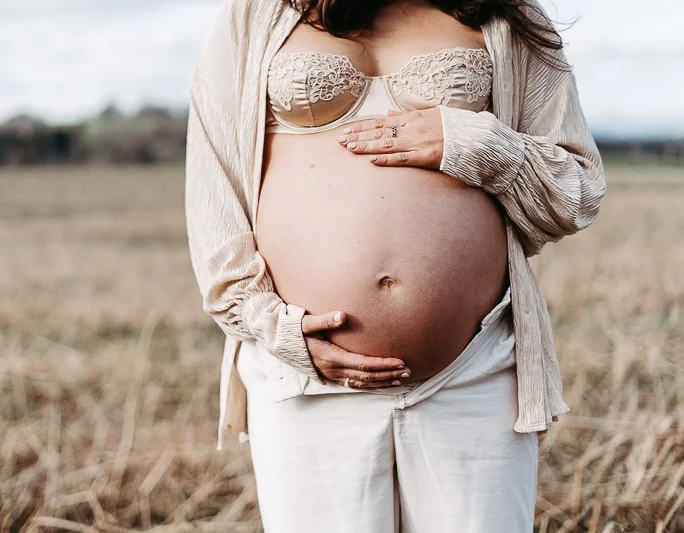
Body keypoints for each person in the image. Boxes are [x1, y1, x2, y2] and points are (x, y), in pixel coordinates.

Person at [184, 0, 606, 531]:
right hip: (306, 378)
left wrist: (474, 142)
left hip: (473, 375)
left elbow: (577, 190)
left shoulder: (506, 14)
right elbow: (213, 198)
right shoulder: (256, 14)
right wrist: (276, 329)